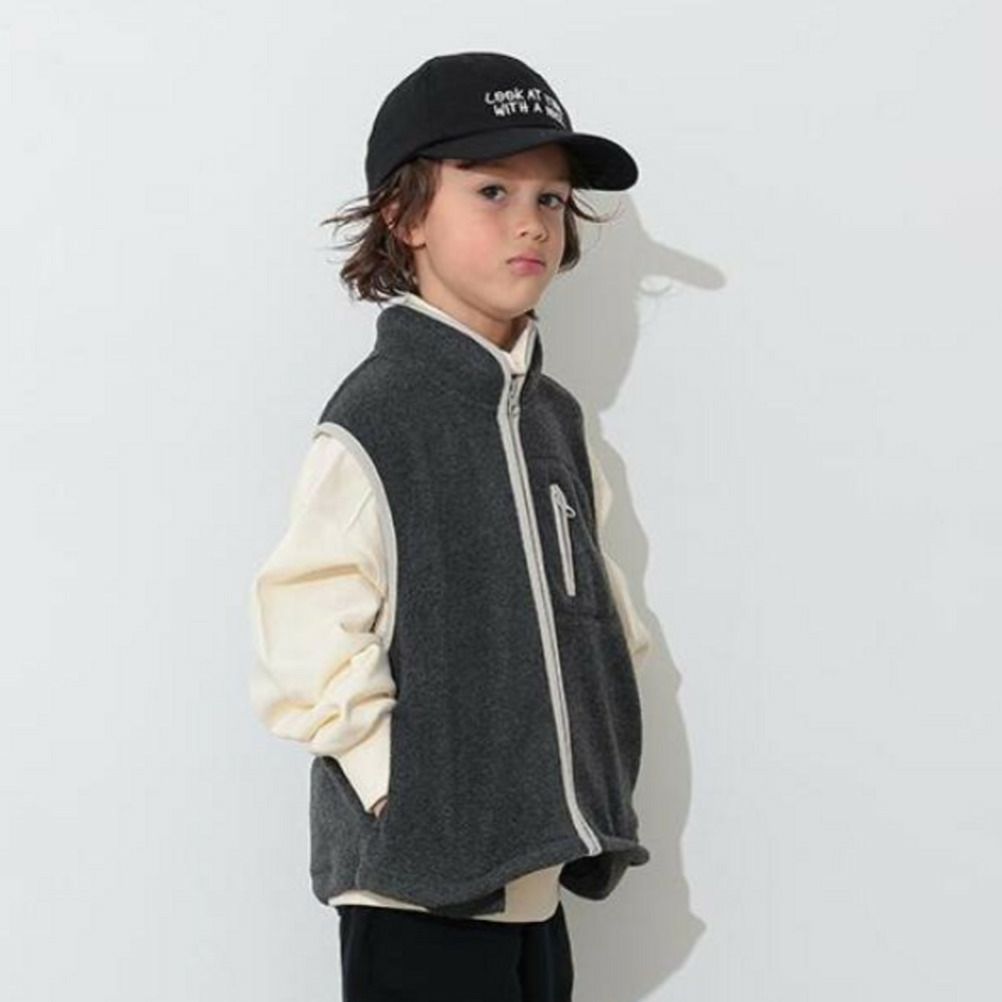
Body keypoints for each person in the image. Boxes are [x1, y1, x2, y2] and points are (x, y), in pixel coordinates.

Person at [248, 50, 653, 1002]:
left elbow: (600, 622)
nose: (532, 221)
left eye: (552, 199)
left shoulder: (553, 420)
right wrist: (405, 790)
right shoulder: (378, 416)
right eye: (492, 190)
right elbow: (305, 636)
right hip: (415, 891)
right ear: (406, 214)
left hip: (533, 872)